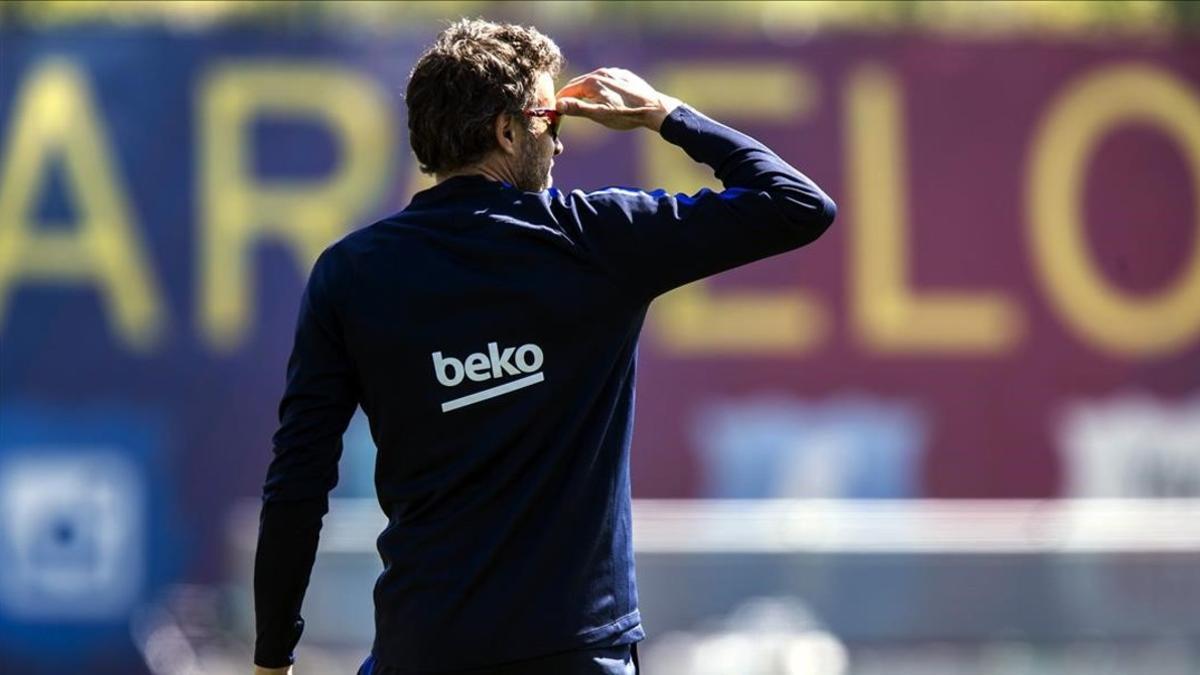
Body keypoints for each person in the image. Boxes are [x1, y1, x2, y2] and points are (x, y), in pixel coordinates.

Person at [252, 17, 836, 675]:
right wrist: (663, 114)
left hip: (424, 652)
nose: (559, 144)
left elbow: (297, 483)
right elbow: (796, 203)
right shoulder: (597, 239)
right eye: (551, 118)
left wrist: (273, 657)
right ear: (507, 129)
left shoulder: (350, 273)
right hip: (576, 655)